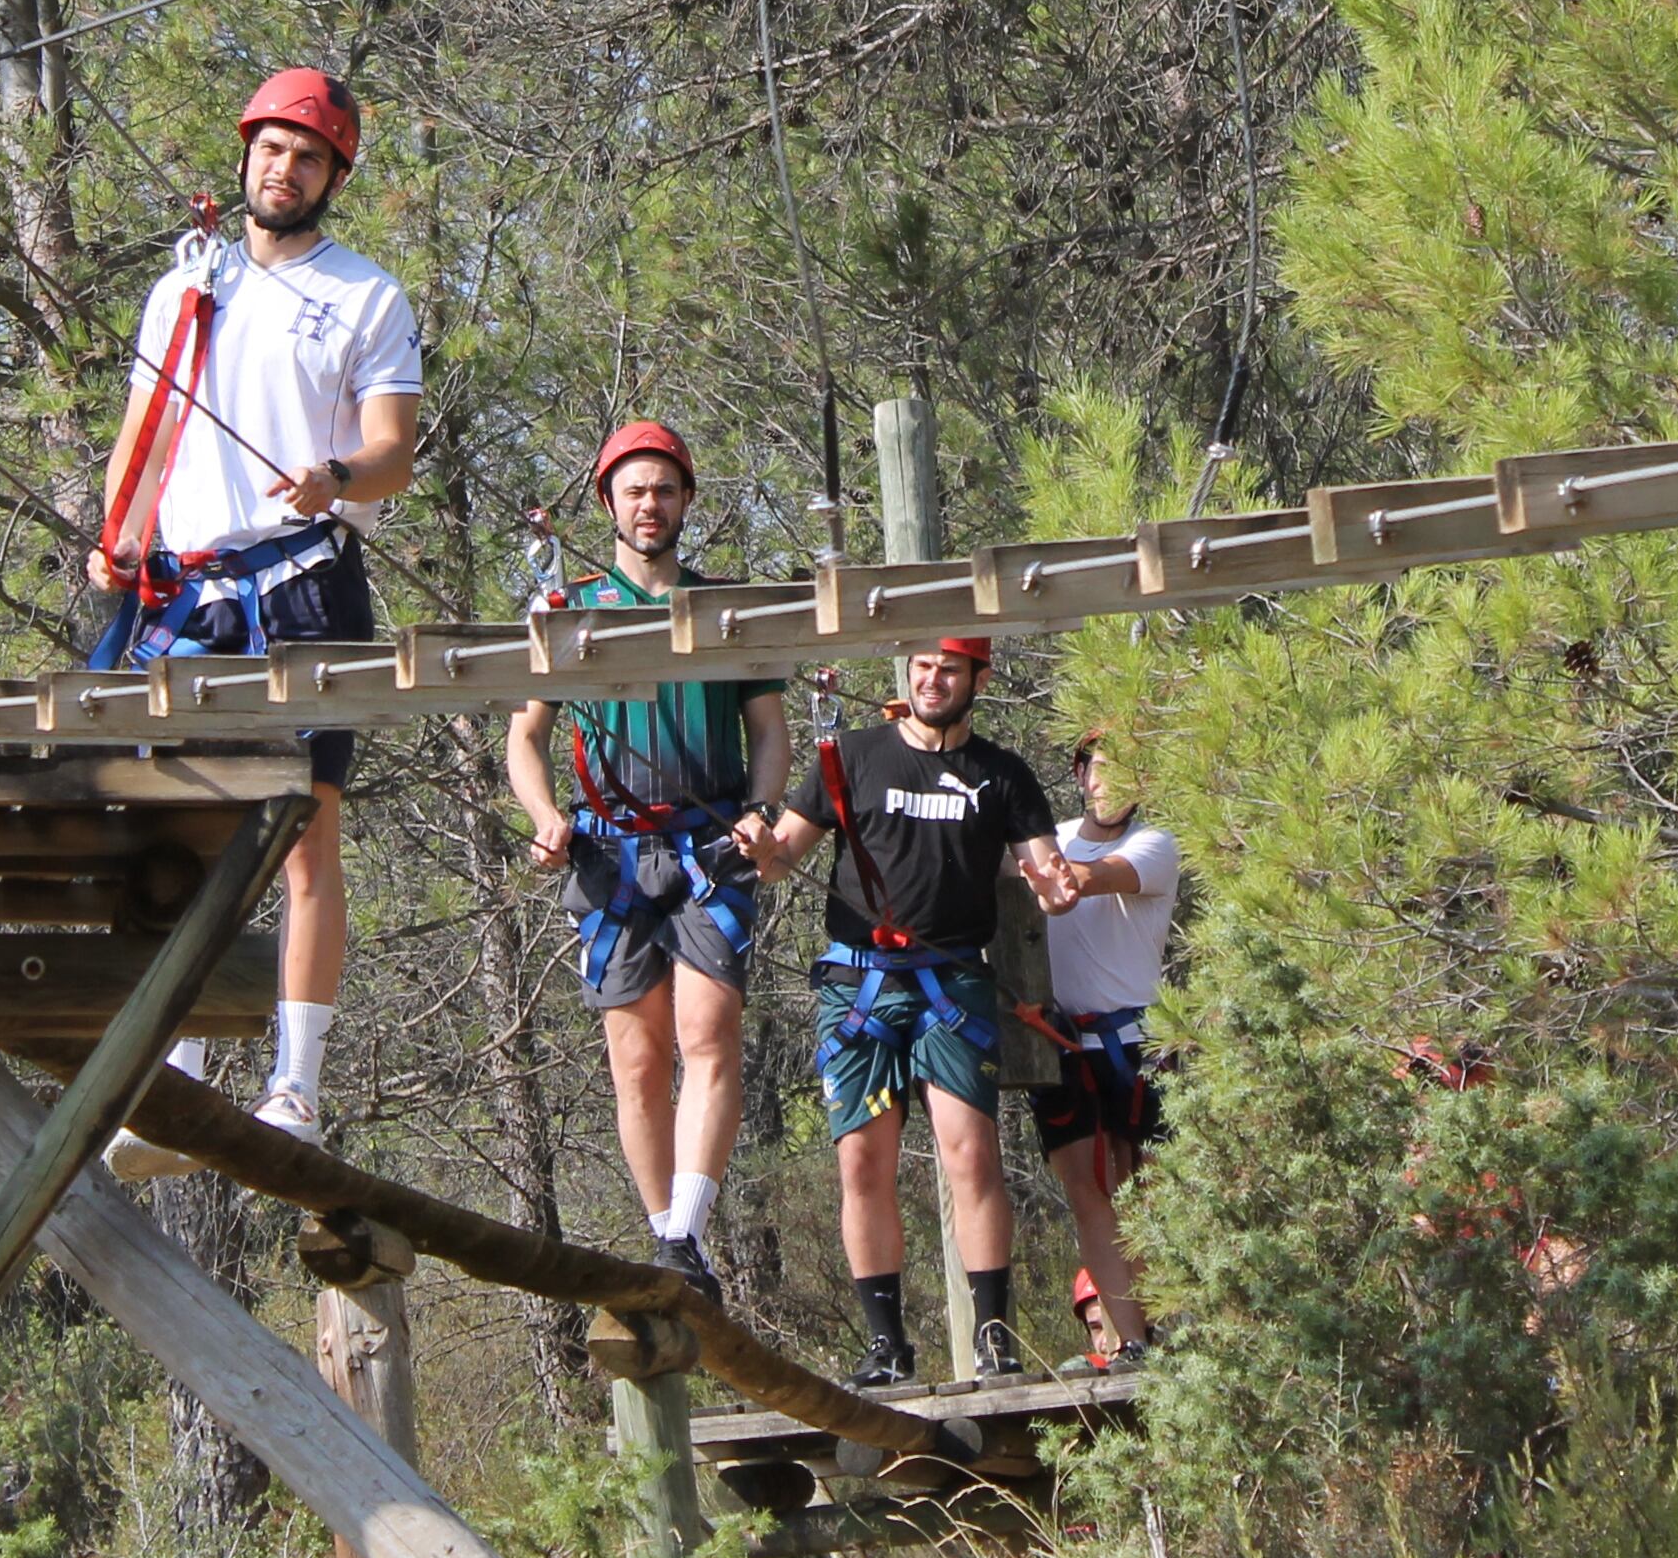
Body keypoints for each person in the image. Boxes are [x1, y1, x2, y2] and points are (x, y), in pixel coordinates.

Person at [93, 69, 422, 1139]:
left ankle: (297, 1082)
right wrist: (117, 536)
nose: (286, 169)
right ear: (245, 156)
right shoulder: (188, 285)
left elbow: (393, 453)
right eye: (273, 148)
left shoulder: (367, 295)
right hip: (189, 584)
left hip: (304, 578)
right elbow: (143, 432)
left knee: (302, 835)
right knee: (183, 829)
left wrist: (337, 472)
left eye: (310, 156)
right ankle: (177, 1068)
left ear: (335, 176)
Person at [502, 421, 791, 1302]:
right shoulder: (569, 616)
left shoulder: (728, 609)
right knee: (636, 1060)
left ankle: (682, 1235)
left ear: (686, 501)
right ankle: (670, 1235)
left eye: (664, 489)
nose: (650, 504)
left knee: (709, 1036)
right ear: (609, 504)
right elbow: (525, 738)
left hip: (709, 848)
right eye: (634, 490)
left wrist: (761, 811)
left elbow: (770, 732)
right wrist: (547, 816)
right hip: (607, 851)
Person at [735, 637, 1069, 1386]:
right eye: (921, 665)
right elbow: (784, 854)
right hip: (859, 986)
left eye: (949, 668)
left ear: (976, 678)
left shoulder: (1001, 775)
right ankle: (886, 1346)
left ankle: (993, 1336)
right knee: (862, 1163)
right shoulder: (852, 757)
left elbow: (1046, 867)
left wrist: (1059, 883)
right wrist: (758, 840)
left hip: (952, 985)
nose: (932, 679)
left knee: (972, 1155)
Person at [1030, 733, 1180, 1370]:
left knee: (1147, 1191)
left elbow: (1093, 879)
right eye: (1101, 768)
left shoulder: (1155, 845)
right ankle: (1130, 1342)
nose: (1112, 782)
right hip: (1063, 1041)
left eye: (1129, 770)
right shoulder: (1051, 839)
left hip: (1138, 1041)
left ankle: (1173, 1325)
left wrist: (1040, 868)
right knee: (1090, 1191)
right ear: (1081, 774)